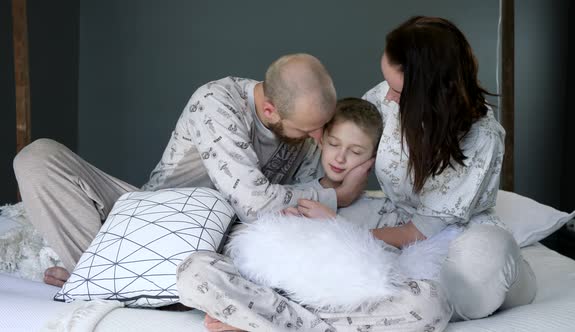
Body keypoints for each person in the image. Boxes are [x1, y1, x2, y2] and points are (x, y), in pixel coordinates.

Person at [12, 53, 373, 287]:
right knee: (36, 157)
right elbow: (255, 202)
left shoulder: (312, 128)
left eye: (321, 128)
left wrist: (335, 186)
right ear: (269, 111)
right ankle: (99, 276)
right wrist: (334, 194)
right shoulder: (217, 102)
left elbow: (292, 207)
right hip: (151, 216)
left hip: (220, 237)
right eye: (306, 130)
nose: (317, 139)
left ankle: (101, 280)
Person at [298, 15, 537, 322]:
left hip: (458, 243)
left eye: (398, 90)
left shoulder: (481, 136)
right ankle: (275, 313)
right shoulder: (387, 99)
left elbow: (423, 232)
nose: (386, 96)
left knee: (480, 262)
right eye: (387, 81)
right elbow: (350, 140)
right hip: (399, 225)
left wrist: (341, 228)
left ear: (432, 93)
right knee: (309, 241)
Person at [176, 97, 452, 332]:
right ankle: (271, 319)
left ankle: (256, 321)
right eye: (334, 144)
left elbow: (386, 277)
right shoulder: (289, 194)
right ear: (321, 141)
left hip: (340, 304)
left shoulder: (385, 211)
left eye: (355, 151)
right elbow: (247, 259)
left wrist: (337, 226)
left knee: (432, 302)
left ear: (373, 158)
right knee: (194, 269)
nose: (340, 158)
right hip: (274, 292)